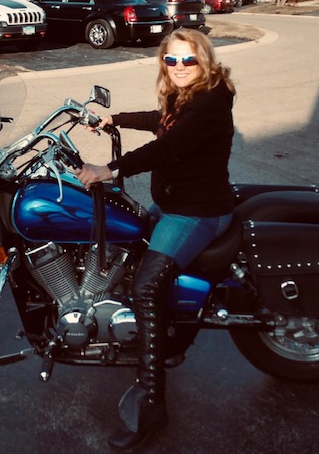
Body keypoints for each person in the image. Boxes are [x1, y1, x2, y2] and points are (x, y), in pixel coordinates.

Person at [75, 28, 236, 450]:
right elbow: (160, 121)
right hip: (176, 204)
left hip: (196, 213)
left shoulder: (210, 103)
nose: (179, 67)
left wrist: (110, 169)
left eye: (189, 60)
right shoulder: (185, 97)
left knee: (146, 287)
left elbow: (169, 146)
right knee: (128, 248)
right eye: (171, 59)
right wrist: (114, 119)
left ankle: (152, 405)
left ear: (204, 61)